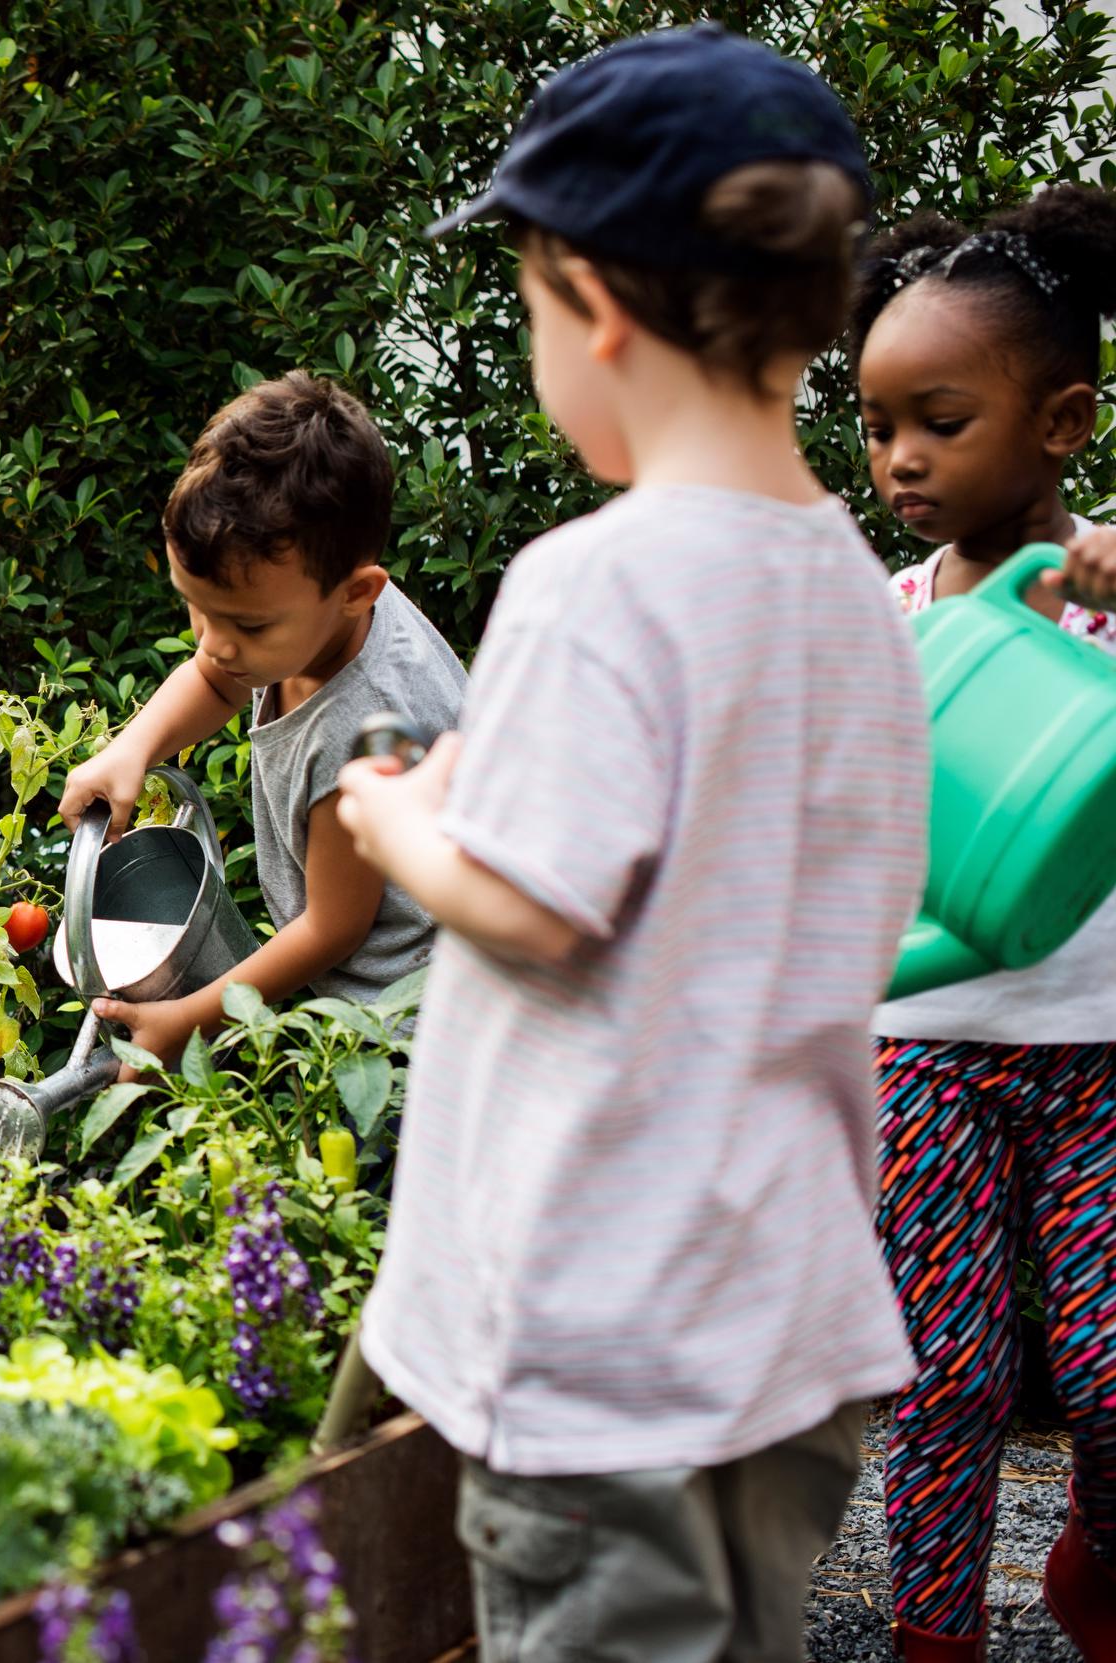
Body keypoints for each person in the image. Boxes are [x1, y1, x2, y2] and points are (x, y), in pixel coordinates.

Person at [334, 27, 928, 1662]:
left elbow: (537, 904)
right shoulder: (858, 597)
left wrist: (401, 819)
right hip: (780, 1319)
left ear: (593, 302)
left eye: (529, 310)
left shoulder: (596, 580)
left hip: (608, 1346)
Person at [850, 184, 1116, 1662]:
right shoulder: (886, 614)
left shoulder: (1108, 587)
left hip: (1099, 1056)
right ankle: (935, 1638)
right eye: (881, 424)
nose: (898, 459)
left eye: (938, 422)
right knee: (945, 1376)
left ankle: (1094, 1567)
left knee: (1114, 1369)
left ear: (1064, 420)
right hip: (930, 1051)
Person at [56, 374, 464, 1059]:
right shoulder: (304, 620)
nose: (214, 644)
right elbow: (213, 678)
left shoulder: (362, 732)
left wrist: (188, 1021)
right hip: (365, 982)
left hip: (412, 1024)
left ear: (357, 593)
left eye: (243, 624)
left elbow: (332, 928)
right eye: (198, 607)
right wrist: (133, 748)